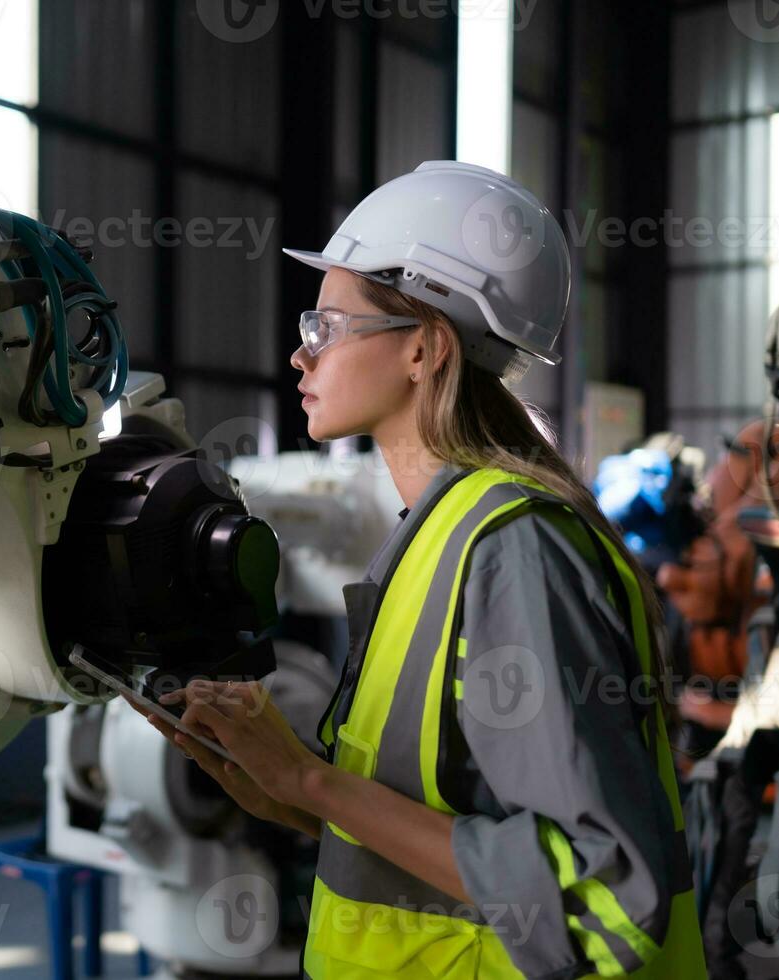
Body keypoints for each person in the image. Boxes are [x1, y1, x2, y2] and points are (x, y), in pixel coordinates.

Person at [135, 161, 705, 977]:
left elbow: (599, 898)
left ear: (422, 348)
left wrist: (310, 780)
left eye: (325, 327)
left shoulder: (512, 548)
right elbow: (452, 842)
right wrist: (283, 792)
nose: (298, 357)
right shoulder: (437, 533)